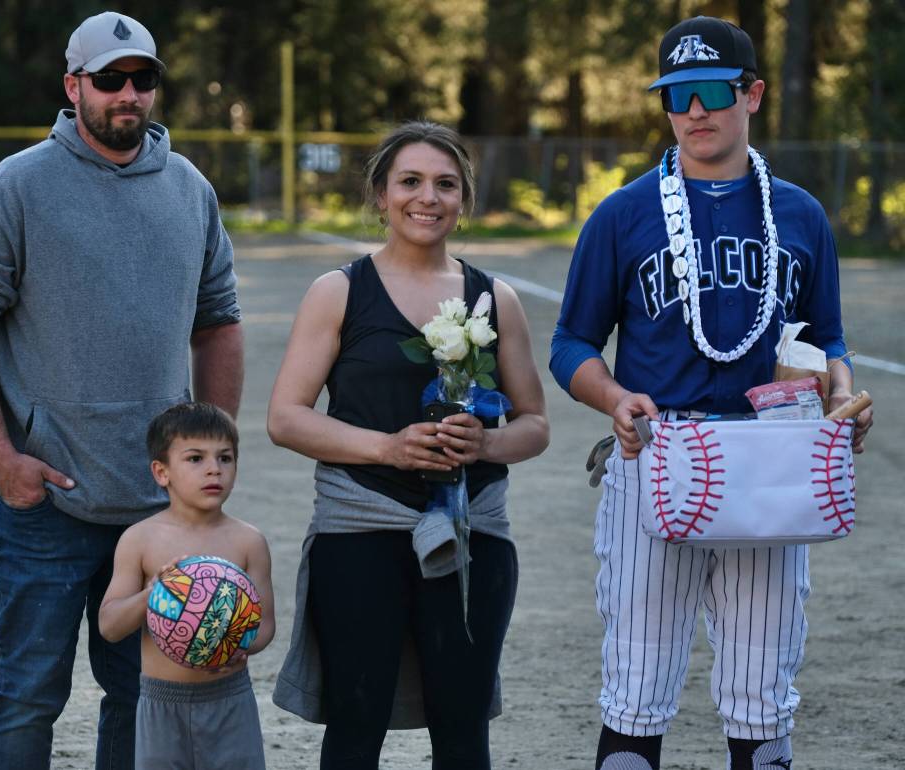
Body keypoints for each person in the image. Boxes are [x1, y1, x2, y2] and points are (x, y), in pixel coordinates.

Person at [550, 15, 874, 770]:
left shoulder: (799, 213)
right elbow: (572, 343)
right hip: (657, 454)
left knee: (763, 691)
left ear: (752, 93)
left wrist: (841, 396)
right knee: (636, 684)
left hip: (773, 462)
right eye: (676, 94)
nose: (695, 110)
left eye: (712, 91)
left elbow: (827, 337)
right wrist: (613, 398)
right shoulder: (624, 213)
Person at [0, 11, 244, 769]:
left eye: (142, 79)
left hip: (152, 504)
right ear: (73, 87)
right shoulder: (17, 187)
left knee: (141, 694)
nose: (127, 94)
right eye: (109, 80)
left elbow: (219, 325)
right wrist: (5, 458)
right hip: (41, 501)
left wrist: (205, 460)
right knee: (28, 693)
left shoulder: (190, 189)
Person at [268, 120, 550, 770]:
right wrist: (388, 449)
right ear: (381, 195)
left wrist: (484, 443)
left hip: (472, 535)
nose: (428, 197)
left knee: (461, 730)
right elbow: (285, 418)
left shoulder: (494, 298)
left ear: (465, 199)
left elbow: (534, 425)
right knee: (356, 724)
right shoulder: (339, 292)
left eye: (446, 184)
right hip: (361, 528)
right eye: (411, 182)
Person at [99, 402, 274, 770]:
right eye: (195, 458)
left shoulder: (248, 541)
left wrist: (236, 646)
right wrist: (155, 594)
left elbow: (264, 628)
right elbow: (110, 626)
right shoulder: (140, 540)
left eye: (225, 458)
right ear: (162, 472)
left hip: (229, 700)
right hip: (162, 703)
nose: (214, 468)